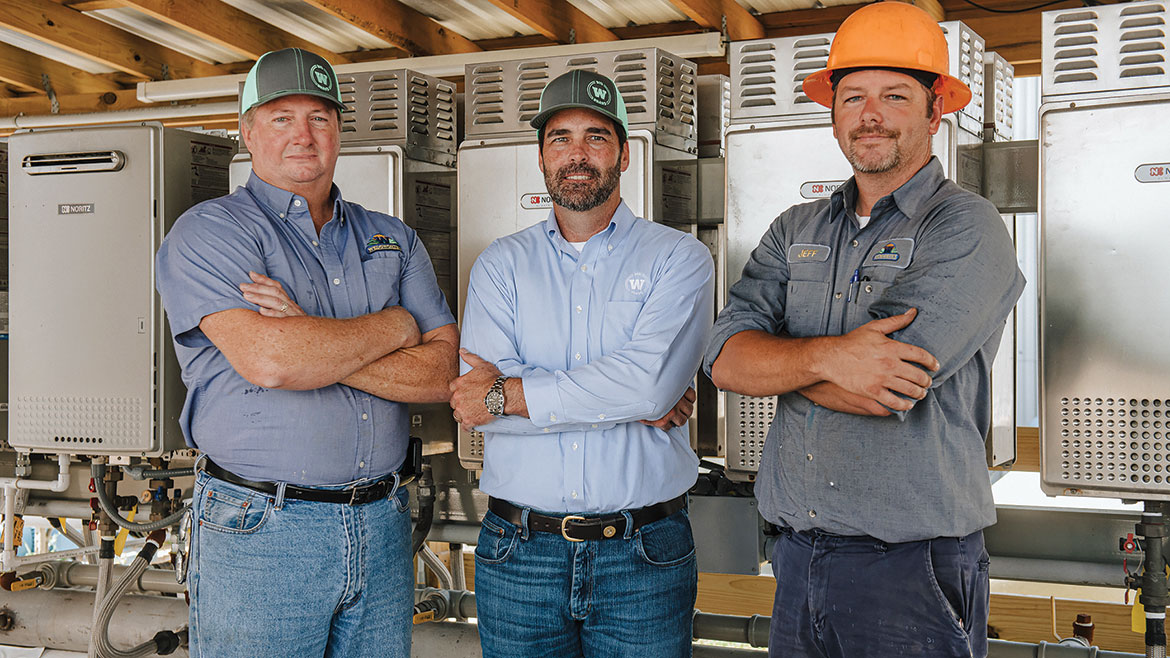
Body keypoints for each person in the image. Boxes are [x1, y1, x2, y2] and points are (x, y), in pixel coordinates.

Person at [704, 4, 1025, 657]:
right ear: (833, 113)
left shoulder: (967, 228)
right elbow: (723, 358)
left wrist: (781, 367)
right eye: (852, 96)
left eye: (894, 96)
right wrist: (831, 357)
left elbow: (890, 379)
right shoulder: (795, 230)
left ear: (936, 112)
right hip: (796, 560)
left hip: (912, 571)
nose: (869, 113)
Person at [155, 47, 457, 658]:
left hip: (382, 521)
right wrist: (397, 324)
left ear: (339, 130)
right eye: (281, 118)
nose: (303, 135)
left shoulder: (392, 236)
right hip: (263, 526)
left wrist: (312, 335)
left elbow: (442, 372)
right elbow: (272, 361)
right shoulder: (211, 233)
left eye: (320, 117)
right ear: (246, 132)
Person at [449, 69, 714, 657]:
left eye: (596, 137)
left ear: (623, 154)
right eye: (561, 138)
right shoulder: (500, 265)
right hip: (519, 553)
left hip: (644, 553)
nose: (578, 154)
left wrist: (509, 394)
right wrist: (623, 399)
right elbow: (477, 402)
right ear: (542, 156)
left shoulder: (679, 257)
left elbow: (647, 388)